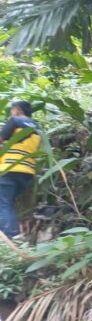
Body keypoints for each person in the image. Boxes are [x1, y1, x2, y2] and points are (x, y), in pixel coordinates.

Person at [0, 101, 41, 238]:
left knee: (3, 204)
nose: (12, 113)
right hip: (27, 172)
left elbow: (4, 134)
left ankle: (11, 235)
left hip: (9, 169)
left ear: (17, 110)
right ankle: (10, 233)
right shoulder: (36, 129)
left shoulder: (16, 121)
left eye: (12, 110)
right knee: (7, 203)